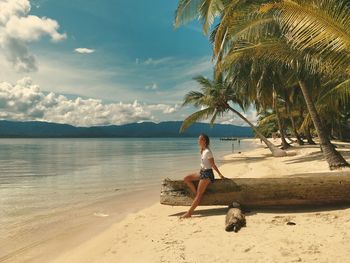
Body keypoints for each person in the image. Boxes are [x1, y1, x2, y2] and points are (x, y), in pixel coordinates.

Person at [180, 134, 226, 219]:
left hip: (207, 174)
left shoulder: (208, 152)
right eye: (198, 139)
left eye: (200, 139)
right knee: (186, 178)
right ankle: (195, 195)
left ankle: (189, 213)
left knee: (199, 195)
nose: (198, 141)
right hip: (202, 172)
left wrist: (220, 174)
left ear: (204, 140)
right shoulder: (203, 150)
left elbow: (212, 164)